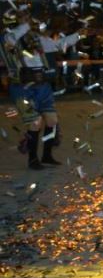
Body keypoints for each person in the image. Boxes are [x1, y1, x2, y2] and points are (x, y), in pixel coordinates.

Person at [0, 21, 63, 170]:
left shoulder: (36, 41)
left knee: (52, 120)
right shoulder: (8, 40)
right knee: (35, 122)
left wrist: (78, 35)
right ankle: (33, 159)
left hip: (42, 87)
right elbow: (11, 38)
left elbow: (58, 44)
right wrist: (26, 23)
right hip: (22, 89)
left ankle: (47, 156)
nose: (32, 35)